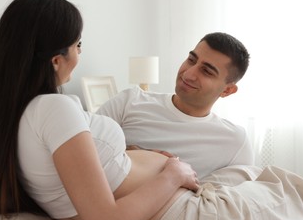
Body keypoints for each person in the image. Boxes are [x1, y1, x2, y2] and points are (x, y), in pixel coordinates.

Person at [0, 0, 303, 220]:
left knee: (256, 175)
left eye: (207, 70)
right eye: (78, 44)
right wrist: (172, 174)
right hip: (188, 219)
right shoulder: (58, 109)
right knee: (294, 186)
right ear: (56, 58)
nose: (190, 72)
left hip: (190, 203)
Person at [97, 32, 254, 179]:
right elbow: (78, 154)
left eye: (206, 71)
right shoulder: (128, 101)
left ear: (227, 90)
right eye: (191, 60)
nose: (189, 74)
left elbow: (232, 202)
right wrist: (136, 157)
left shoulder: (235, 142)